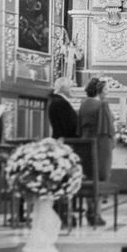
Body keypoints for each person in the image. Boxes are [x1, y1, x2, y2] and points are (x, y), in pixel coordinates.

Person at [78, 78, 115, 226]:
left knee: (87, 176)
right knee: (100, 177)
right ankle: (97, 214)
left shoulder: (83, 104)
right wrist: (111, 146)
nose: (108, 93)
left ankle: (89, 210)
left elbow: (79, 127)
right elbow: (107, 131)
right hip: (100, 145)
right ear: (99, 91)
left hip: (84, 144)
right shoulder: (102, 105)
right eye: (106, 90)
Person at [47, 77, 78, 227]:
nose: (73, 88)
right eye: (71, 86)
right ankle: (62, 213)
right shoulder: (60, 103)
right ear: (63, 87)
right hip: (64, 144)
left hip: (62, 142)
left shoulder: (57, 101)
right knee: (63, 179)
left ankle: (63, 212)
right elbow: (69, 125)